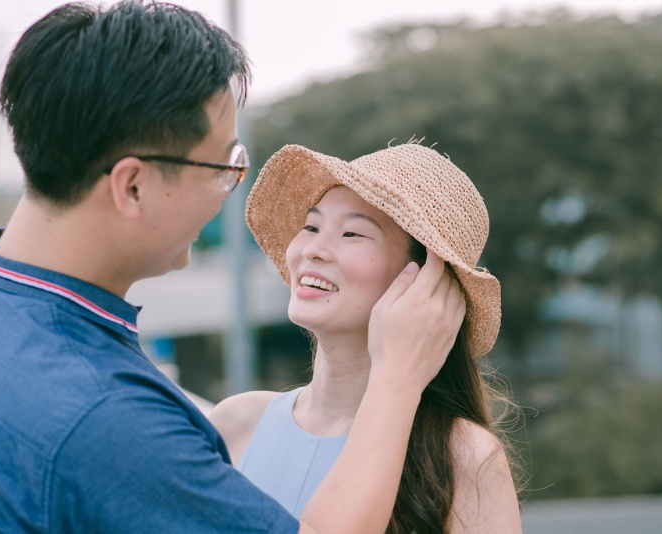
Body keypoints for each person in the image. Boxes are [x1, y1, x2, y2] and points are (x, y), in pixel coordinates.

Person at [0, 2, 467, 532]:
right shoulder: (108, 420)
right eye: (222, 166)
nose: (226, 193)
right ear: (132, 185)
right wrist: (396, 378)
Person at [210, 142, 523, 533]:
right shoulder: (235, 423)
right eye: (311, 226)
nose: (314, 250)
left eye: (352, 233)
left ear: (425, 283)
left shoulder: (463, 456)